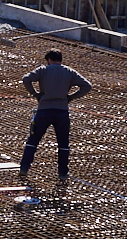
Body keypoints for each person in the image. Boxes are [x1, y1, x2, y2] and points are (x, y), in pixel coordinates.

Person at [20, 49, 92, 179]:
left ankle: (24, 168)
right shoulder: (69, 72)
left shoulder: (43, 70)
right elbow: (87, 86)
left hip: (44, 110)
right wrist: (70, 97)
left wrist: (36, 94)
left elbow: (26, 79)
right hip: (62, 112)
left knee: (33, 140)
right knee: (63, 144)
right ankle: (63, 173)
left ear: (49, 60)